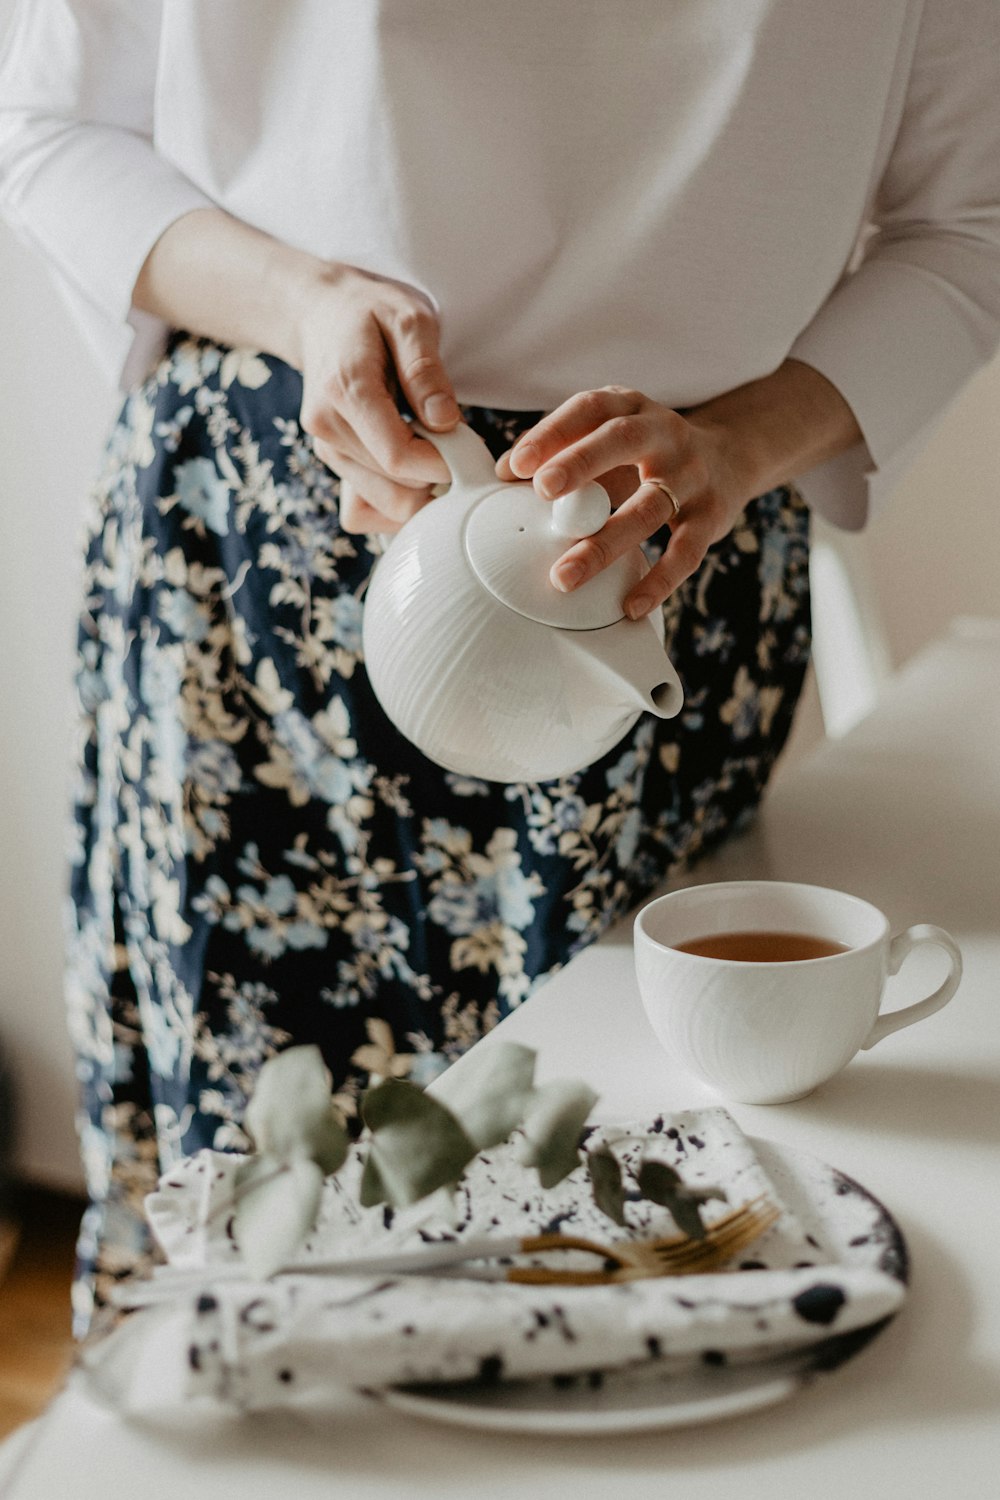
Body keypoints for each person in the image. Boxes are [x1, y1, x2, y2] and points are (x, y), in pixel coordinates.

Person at [1, 1, 998, 1335]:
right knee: (256, 1242)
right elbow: (53, 126)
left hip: (665, 577)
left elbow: (971, 221)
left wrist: (740, 447)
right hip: (261, 603)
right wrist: (304, 302)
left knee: (642, 1252)